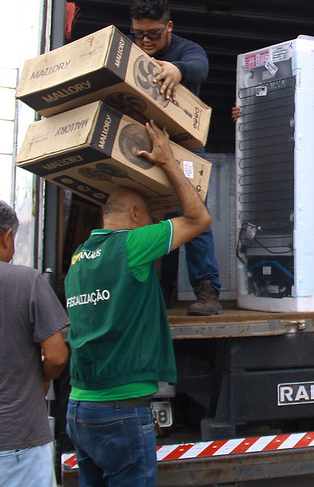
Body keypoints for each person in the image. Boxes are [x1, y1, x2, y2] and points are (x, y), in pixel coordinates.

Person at [64, 121, 212, 486]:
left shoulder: (78, 258)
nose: (152, 225)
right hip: (121, 411)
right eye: (149, 218)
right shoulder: (132, 244)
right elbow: (199, 218)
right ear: (134, 216)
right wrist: (169, 162)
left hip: (79, 407)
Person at [129, 0, 222, 316]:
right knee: (153, 218)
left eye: (153, 34)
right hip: (144, 145)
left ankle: (207, 290)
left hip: (185, 152)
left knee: (194, 216)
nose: (145, 40)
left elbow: (200, 68)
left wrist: (178, 70)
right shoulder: (131, 49)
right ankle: (162, 289)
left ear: (169, 27)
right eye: (138, 33)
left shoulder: (187, 50)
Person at [0, 201, 70, 487]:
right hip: (19, 439)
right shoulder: (25, 280)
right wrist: (41, 378)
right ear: (6, 236)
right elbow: (56, 356)